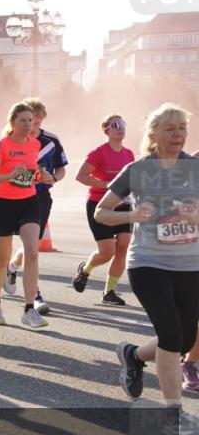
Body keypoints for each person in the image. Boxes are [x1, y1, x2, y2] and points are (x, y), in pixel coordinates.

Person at [101, 104, 199, 435]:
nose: (178, 135)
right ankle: (173, 413)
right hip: (148, 262)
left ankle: (132, 355)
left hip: (190, 263)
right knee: (171, 335)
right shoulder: (136, 170)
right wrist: (131, 216)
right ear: (154, 134)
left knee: (184, 338)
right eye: (171, 129)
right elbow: (102, 212)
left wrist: (193, 216)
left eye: (182, 128)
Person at [0, 102, 50, 328]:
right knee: (2, 260)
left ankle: (29, 309)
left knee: (32, 253)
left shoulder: (35, 144)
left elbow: (31, 173)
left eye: (31, 120)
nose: (28, 125)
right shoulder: (2, 146)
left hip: (29, 202)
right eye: (23, 120)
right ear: (12, 123)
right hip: (3, 204)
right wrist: (10, 175)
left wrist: (41, 176)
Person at [5, 98, 67, 314]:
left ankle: (31, 291)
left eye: (36, 123)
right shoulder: (9, 141)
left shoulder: (51, 141)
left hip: (38, 199)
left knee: (33, 247)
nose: (31, 127)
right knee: (27, 247)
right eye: (27, 122)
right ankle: (7, 269)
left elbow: (61, 169)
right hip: (12, 197)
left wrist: (53, 178)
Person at [72, 114, 135, 305]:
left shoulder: (129, 154)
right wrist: (106, 184)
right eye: (115, 125)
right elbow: (80, 176)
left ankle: (109, 292)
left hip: (124, 205)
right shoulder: (99, 153)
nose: (120, 127)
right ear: (106, 130)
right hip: (100, 205)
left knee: (123, 247)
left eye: (122, 123)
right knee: (108, 252)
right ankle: (86, 270)